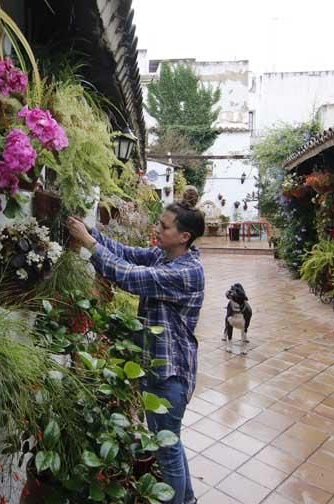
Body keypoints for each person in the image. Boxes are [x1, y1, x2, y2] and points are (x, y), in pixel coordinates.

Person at [66, 188, 205, 504]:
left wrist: (88, 244)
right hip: (159, 367)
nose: (158, 229)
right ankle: (188, 500)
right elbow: (126, 253)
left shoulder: (187, 272)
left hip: (170, 374)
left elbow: (128, 275)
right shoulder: (164, 255)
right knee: (169, 441)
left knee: (166, 449)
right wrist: (93, 232)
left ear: (184, 236)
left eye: (165, 227)